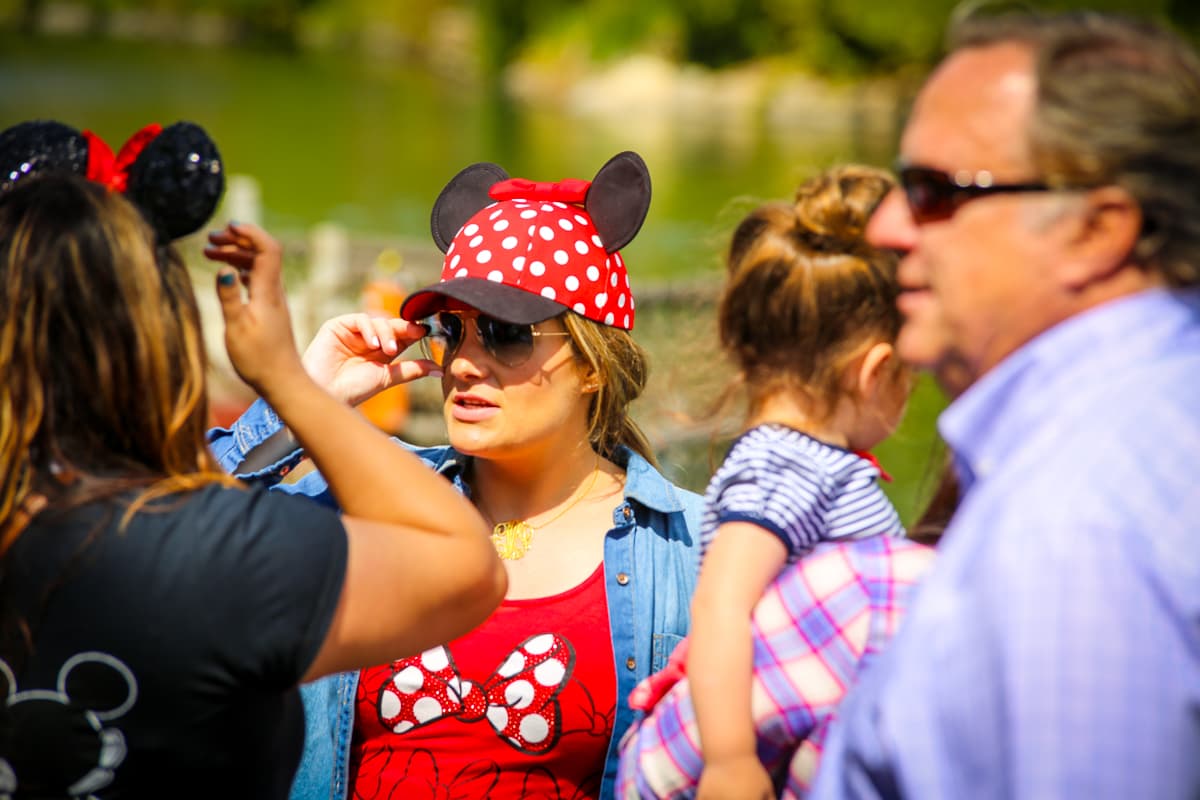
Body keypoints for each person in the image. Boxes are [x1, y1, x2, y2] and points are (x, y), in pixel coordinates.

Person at [0, 125, 505, 797]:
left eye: (505, 331)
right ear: (154, 332)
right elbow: (465, 568)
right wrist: (288, 385)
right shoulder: (211, 555)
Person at [206, 152, 703, 800]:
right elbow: (160, 545)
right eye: (451, 331)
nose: (465, 364)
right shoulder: (366, 501)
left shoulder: (693, 546)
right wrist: (300, 404)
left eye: (504, 333)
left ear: (592, 364)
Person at [808, 10, 1200, 799]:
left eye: (934, 192)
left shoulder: (1075, 520)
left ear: (1097, 230)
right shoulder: (1155, 418)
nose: (886, 224)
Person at [612, 165, 927, 800]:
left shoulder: (797, 458)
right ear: (875, 372)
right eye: (909, 381)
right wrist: (730, 761)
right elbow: (721, 602)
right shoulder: (786, 464)